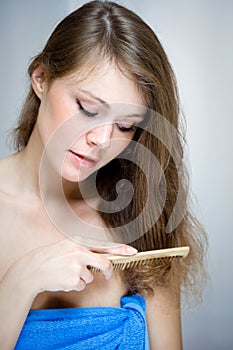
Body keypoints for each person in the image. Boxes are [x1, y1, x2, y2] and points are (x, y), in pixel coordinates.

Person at [0, 1, 207, 349]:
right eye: (88, 109)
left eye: (126, 126)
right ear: (41, 78)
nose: (103, 140)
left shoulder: (142, 216)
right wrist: (20, 283)